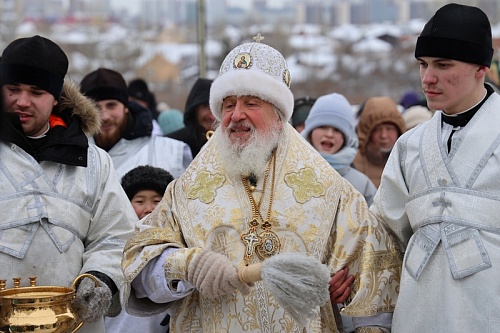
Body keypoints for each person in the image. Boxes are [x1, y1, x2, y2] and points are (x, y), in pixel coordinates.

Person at [121, 35, 401, 333]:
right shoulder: (187, 190)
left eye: (251, 103)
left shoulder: (332, 192)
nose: (236, 115)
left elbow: (375, 294)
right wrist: (186, 265)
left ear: (279, 115)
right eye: (228, 105)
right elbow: (138, 264)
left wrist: (341, 300)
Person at [369, 3, 500, 331]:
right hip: (417, 317)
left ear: (481, 67)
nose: (428, 78)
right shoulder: (409, 146)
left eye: (443, 65)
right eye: (423, 64)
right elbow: (383, 237)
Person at [0, 35, 137, 333]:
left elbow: (117, 235)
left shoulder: (94, 162)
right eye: (13, 89)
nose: (22, 101)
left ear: (55, 97)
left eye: (36, 92)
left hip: (74, 326)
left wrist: (100, 278)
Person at [80, 68, 192, 179]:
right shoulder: (71, 154)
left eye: (111, 105)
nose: (104, 116)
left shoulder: (171, 153)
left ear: (126, 107)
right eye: (95, 107)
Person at [105, 165, 174, 333]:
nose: (149, 208)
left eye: (157, 201)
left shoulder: (175, 243)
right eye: (140, 201)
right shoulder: (115, 239)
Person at [302, 92, 377, 206]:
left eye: (337, 130)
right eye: (323, 127)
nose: (329, 134)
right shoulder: (287, 171)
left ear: (346, 138)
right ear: (309, 131)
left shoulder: (362, 186)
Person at [353, 96, 405, 187]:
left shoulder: (407, 161)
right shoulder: (353, 162)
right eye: (377, 130)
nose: (383, 135)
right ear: (367, 133)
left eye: (389, 129)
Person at [166, 78, 215, 158]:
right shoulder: (172, 144)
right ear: (194, 109)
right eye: (205, 106)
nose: (212, 116)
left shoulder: (231, 144)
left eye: (216, 107)